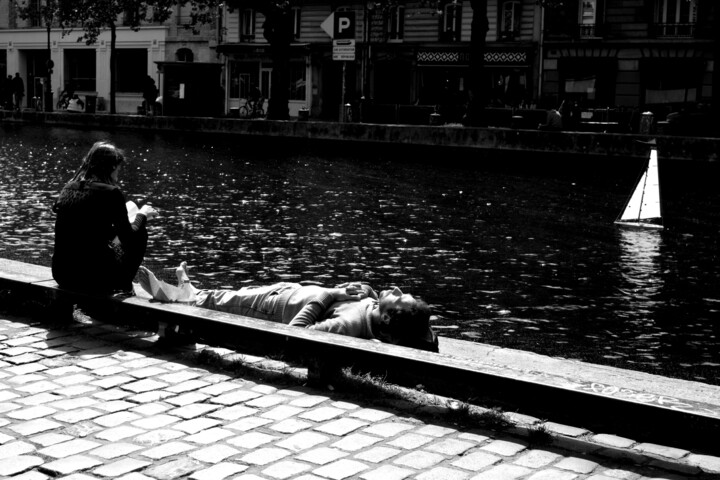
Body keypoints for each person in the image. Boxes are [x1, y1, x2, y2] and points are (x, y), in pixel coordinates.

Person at [137, 262, 439, 352]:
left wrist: (330, 294)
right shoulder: (375, 311)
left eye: (400, 297)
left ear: (386, 317)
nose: (398, 290)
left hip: (271, 309)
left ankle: (173, 296)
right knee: (222, 294)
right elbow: (425, 335)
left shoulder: (350, 325)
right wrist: (369, 293)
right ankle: (189, 288)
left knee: (217, 301)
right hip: (286, 292)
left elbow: (297, 333)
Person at [52, 141, 158, 295]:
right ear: (113, 167)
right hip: (94, 279)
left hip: (62, 274)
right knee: (140, 233)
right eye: (118, 169)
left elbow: (90, 227)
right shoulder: (111, 193)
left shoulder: (68, 187)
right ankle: (124, 284)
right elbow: (128, 237)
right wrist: (142, 215)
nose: (117, 175)